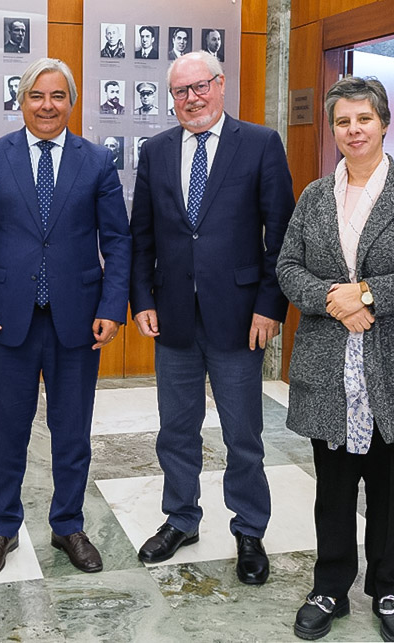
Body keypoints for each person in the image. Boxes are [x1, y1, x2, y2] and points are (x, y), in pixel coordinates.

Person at [276, 76, 394, 643]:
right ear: (333, 130)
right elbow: (288, 267)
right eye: (343, 122)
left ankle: (388, 588)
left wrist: (367, 294)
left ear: (384, 123)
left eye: (364, 119)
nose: (354, 131)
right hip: (331, 365)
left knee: (390, 486)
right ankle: (328, 587)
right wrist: (335, 300)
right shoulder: (313, 196)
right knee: (331, 487)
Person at [0, 57, 131, 579]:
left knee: (72, 431)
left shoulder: (96, 161)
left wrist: (112, 307)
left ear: (71, 102)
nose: (47, 105)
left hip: (78, 319)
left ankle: (68, 524)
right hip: (7, 319)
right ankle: (2, 528)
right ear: (21, 101)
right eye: (37, 95)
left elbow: (117, 240)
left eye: (58, 96)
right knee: (7, 430)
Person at [129, 51, 295, 585]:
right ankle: (181, 519)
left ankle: (249, 529)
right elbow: (141, 236)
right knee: (176, 429)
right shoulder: (156, 151)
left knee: (243, 433)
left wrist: (270, 305)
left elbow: (281, 234)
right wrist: (142, 299)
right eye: (181, 91)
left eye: (200, 86)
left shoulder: (260, 144)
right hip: (173, 316)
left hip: (240, 317)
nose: (192, 98)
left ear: (221, 85)